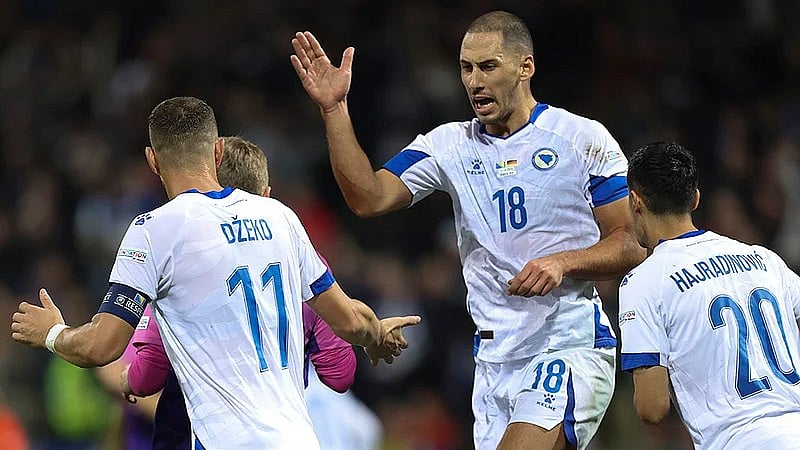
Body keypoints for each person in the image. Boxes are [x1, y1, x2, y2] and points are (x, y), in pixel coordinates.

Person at [290, 10, 644, 450]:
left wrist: (564, 262)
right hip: (494, 360)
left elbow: (629, 244)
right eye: (465, 68)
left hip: (566, 343)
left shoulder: (581, 138)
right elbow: (369, 197)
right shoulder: (448, 145)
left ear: (524, 67)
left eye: (488, 66)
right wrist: (334, 108)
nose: (474, 81)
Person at [10, 96, 420, 449]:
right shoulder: (280, 217)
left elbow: (102, 347)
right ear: (219, 151)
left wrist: (50, 333)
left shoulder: (154, 230)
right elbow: (349, 321)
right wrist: (377, 335)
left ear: (153, 161)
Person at [120, 136, 363, 449]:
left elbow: (149, 373)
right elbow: (339, 375)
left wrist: (131, 379)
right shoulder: (300, 264)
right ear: (266, 196)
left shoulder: (186, 259)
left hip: (200, 435)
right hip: (285, 434)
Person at [619, 141, 800, 449]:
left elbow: (652, 407)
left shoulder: (643, 281)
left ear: (635, 201)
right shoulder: (763, 258)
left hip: (739, 440)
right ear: (696, 199)